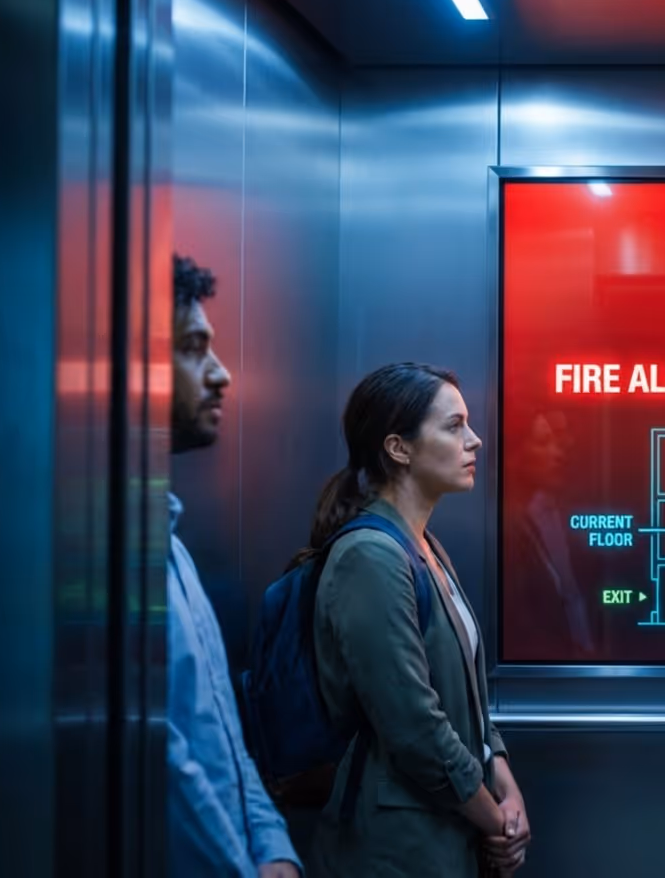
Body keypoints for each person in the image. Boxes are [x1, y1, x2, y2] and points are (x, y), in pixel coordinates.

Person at [307, 363, 530, 877]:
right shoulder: (371, 556)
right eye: (454, 426)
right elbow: (413, 726)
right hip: (397, 848)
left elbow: (467, 703)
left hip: (447, 833)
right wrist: (495, 820)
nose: (474, 441)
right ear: (399, 448)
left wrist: (508, 788)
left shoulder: (426, 549)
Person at [167, 254, 302, 877]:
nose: (220, 374)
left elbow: (224, 732)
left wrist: (274, 849)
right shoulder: (100, 562)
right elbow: (163, 763)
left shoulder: (175, 554)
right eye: (194, 349)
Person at [500, 402, 599, 660]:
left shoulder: (553, 514)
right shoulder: (506, 530)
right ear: (513, 455)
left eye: (559, 442)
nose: (558, 453)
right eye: (544, 443)